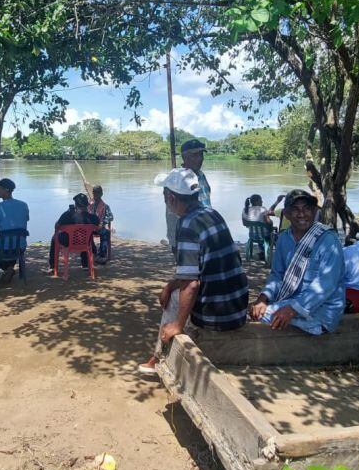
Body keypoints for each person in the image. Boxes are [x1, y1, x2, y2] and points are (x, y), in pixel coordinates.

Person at [138, 168, 248, 376]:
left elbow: (192, 284)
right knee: (174, 290)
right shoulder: (211, 213)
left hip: (218, 313)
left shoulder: (187, 225)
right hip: (238, 304)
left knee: (173, 302)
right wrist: (171, 284)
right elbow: (202, 269)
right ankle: (161, 353)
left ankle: (159, 357)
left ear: (171, 198)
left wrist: (177, 325)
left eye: (164, 196)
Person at [250, 191, 345, 333]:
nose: (301, 214)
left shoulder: (329, 241)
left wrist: (292, 309)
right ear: (286, 214)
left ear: (314, 212)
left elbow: (326, 285)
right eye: (295, 209)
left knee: (256, 318)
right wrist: (263, 298)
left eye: (307, 208)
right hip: (291, 302)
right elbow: (277, 275)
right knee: (254, 311)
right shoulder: (283, 239)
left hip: (323, 310)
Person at [165, 139, 211, 251]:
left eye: (201, 155)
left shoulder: (201, 175)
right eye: (195, 155)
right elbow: (174, 211)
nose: (199, 159)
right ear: (184, 158)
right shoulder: (177, 179)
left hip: (206, 232)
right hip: (186, 236)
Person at [0, 178, 30, 284]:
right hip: (20, 246)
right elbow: (25, 220)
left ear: (6, 190)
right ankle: (10, 267)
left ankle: (7, 268)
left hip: (3, 248)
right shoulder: (24, 205)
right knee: (11, 243)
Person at [49, 193, 100, 272]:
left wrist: (68, 212)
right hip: (86, 243)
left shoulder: (67, 215)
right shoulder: (93, 218)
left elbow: (56, 226)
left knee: (54, 238)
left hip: (68, 242)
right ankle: (85, 264)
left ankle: (52, 266)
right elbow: (98, 227)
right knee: (87, 236)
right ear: (87, 205)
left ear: (75, 205)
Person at [87, 185, 113, 263]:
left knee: (106, 232)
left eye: (98, 193)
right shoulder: (89, 204)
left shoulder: (105, 206)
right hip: (90, 228)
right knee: (86, 233)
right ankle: (94, 251)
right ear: (93, 194)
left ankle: (102, 255)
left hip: (100, 228)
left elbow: (111, 217)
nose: (96, 195)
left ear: (101, 194)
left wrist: (103, 222)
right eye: (94, 193)